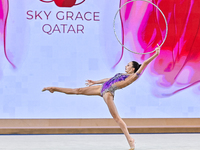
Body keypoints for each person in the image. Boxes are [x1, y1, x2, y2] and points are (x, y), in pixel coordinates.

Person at [42, 45, 161, 150]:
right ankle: (53, 88)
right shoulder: (122, 74)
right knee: (78, 90)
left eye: (128, 65)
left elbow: (145, 63)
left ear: (133, 69)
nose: (126, 65)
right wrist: (94, 82)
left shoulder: (133, 76)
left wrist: (155, 54)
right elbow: (109, 79)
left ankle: (130, 139)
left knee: (117, 118)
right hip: (102, 87)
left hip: (108, 92)